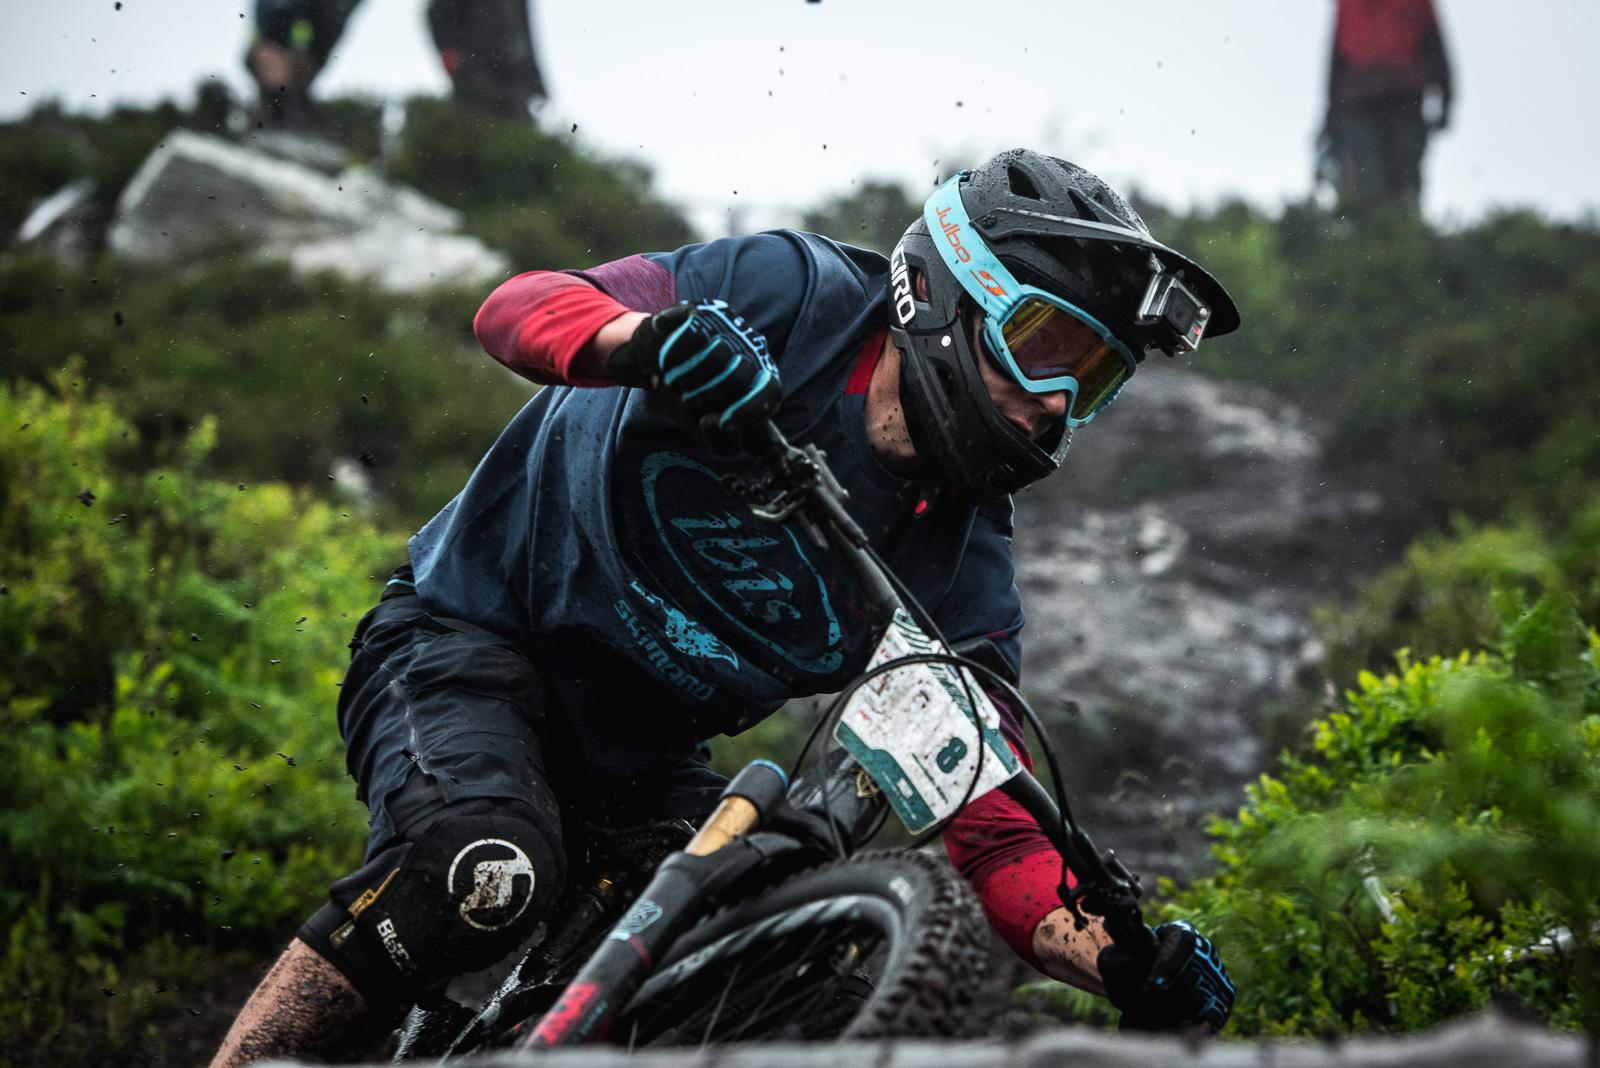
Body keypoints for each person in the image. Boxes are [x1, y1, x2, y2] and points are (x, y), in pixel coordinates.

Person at [210, 149, 1240, 1066]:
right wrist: (644, 343)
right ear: (942, 291)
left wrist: (1122, 964)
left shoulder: (961, 569)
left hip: (643, 766)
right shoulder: (787, 295)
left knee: (801, 971)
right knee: (484, 867)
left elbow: (997, 835)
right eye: (1043, 344)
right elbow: (519, 307)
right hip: (467, 639)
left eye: (1092, 377)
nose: (1056, 401)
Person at [247, 0, 547, 129]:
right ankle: (274, 118)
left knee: (518, 136)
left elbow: (526, 32)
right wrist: (454, 59)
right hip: (477, 71)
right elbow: (438, 16)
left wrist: (537, 80)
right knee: (276, 47)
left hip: (515, 77)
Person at [1319, 0, 1453, 212]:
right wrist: (1330, 119)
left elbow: (1434, 44)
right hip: (1360, 105)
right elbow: (1338, 60)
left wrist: (1446, 97)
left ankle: (1404, 233)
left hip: (1403, 101)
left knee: (1405, 179)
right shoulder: (1348, 5)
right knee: (1368, 179)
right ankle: (1379, 233)